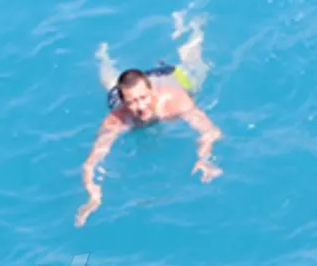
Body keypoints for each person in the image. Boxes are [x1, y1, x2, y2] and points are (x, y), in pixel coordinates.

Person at [77, 15, 221, 227]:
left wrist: (204, 158)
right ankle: (103, 57)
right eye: (132, 102)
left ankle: (190, 27)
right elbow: (92, 162)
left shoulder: (174, 102)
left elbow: (210, 131)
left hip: (170, 76)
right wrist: (93, 195)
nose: (141, 107)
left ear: (152, 91)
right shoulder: (118, 119)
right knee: (110, 85)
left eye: (144, 98)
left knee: (196, 69)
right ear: (124, 102)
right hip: (130, 87)